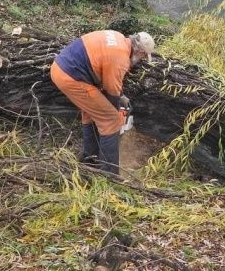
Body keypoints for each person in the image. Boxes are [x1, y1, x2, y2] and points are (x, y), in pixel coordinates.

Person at [50, 30, 156, 175]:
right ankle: (109, 174)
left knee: (91, 114)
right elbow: (111, 91)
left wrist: (122, 97)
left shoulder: (118, 37)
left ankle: (90, 159)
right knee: (111, 120)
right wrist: (118, 111)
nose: (141, 60)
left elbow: (107, 76)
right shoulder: (120, 59)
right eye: (143, 56)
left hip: (62, 68)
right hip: (71, 77)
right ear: (140, 51)